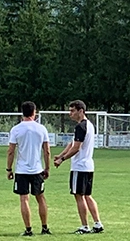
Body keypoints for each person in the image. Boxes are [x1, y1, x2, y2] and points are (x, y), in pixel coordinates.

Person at [53, 100, 103, 234]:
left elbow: (76, 148)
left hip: (79, 166)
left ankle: (84, 226)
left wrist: (62, 159)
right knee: (87, 195)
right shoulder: (89, 125)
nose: (70, 114)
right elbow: (72, 144)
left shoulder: (80, 127)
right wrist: (61, 154)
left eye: (72, 111)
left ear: (81, 111)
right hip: (88, 166)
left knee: (79, 196)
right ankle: (97, 223)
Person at [7, 101, 53, 237]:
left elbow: (11, 151)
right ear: (34, 112)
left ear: (22, 112)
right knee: (41, 198)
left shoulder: (16, 129)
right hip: (37, 169)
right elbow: (47, 151)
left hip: (21, 170)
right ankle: (44, 227)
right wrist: (47, 168)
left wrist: (9, 169)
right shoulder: (41, 129)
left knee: (24, 199)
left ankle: (28, 229)